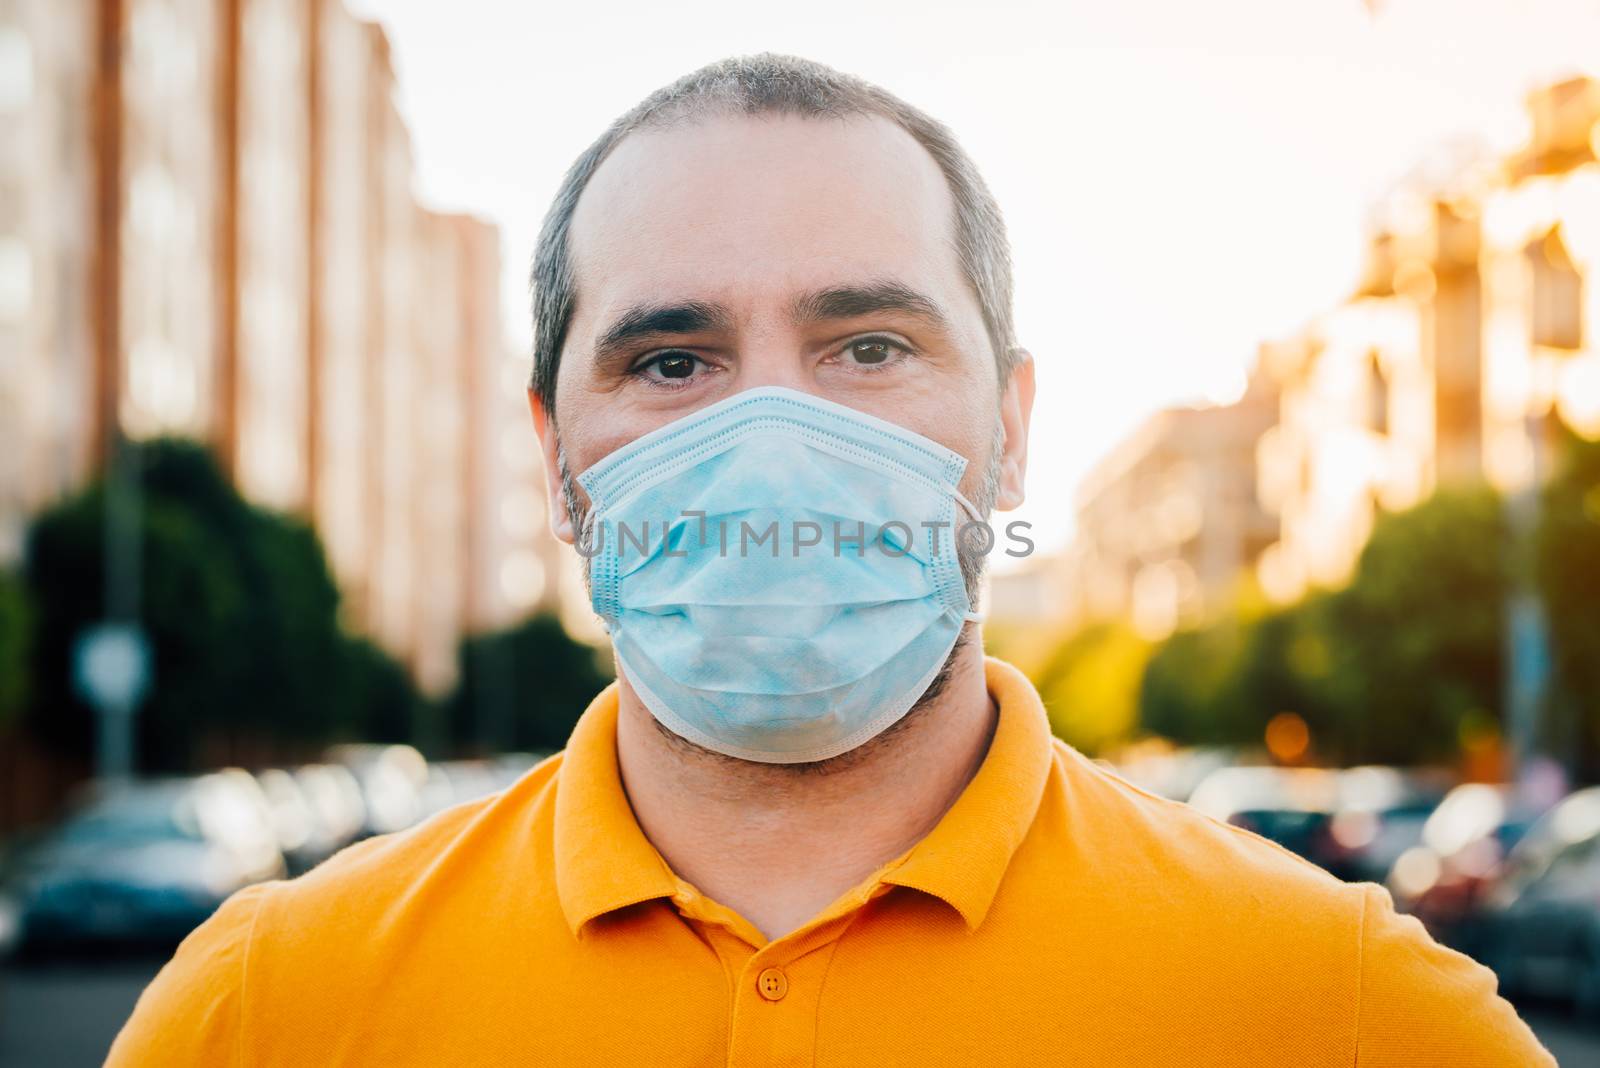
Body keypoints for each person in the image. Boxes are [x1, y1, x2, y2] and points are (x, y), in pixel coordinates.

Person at [108, 53, 1553, 1066]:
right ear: (556, 455)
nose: (771, 436)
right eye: (673, 359)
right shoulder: (264, 1011)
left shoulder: (1352, 1014)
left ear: (1010, 425)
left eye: (869, 346)